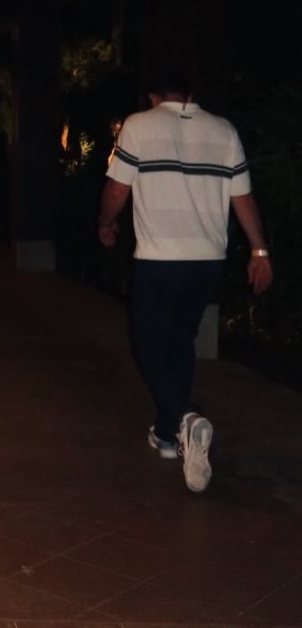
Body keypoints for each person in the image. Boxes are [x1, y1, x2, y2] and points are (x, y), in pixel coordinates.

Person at [98, 67, 272, 493]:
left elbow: (117, 190)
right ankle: (166, 433)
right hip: (207, 262)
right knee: (178, 342)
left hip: (160, 259)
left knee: (147, 343)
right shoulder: (224, 130)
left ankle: (185, 417)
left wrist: (105, 222)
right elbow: (243, 197)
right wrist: (259, 251)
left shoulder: (139, 126)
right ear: (189, 94)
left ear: (153, 97)